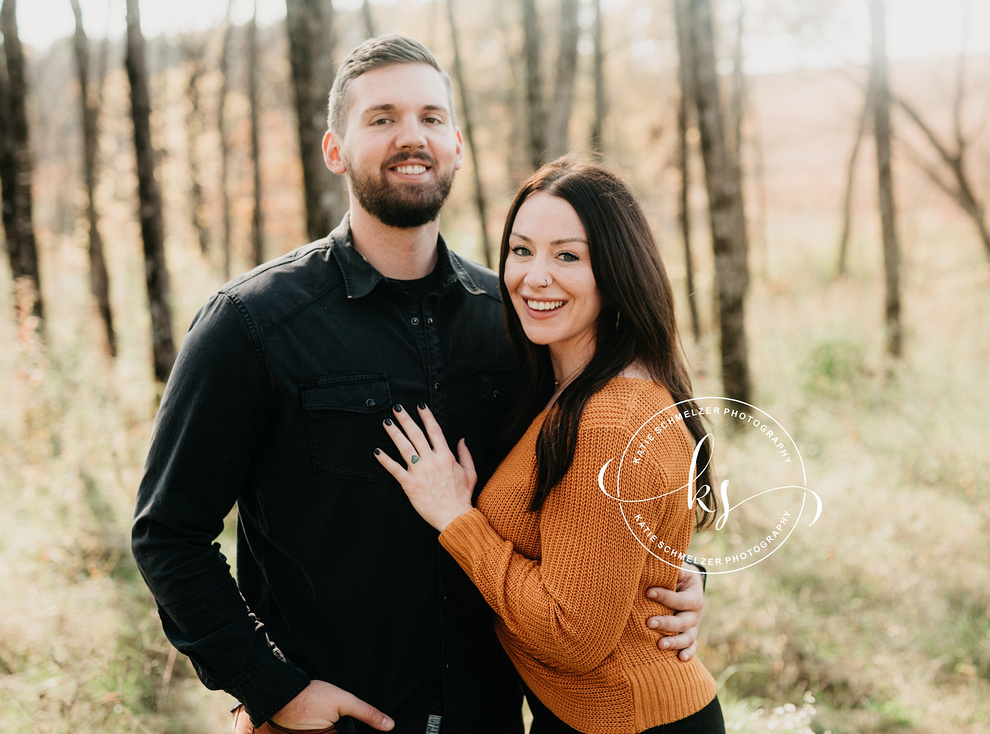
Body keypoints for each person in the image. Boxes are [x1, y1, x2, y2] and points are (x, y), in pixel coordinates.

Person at [131, 35, 705, 734]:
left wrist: (676, 575)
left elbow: (585, 480)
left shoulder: (516, 322)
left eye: (432, 118)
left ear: (457, 146)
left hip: (492, 720)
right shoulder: (252, 324)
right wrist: (271, 686)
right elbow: (169, 533)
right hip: (334, 723)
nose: (412, 137)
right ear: (335, 150)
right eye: (382, 118)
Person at [375, 158, 724, 733]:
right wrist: (685, 574)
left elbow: (571, 635)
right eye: (520, 250)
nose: (535, 277)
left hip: (627, 722)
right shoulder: (569, 385)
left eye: (567, 255)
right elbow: (605, 552)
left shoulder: (609, 420)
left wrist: (456, 519)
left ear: (616, 272)